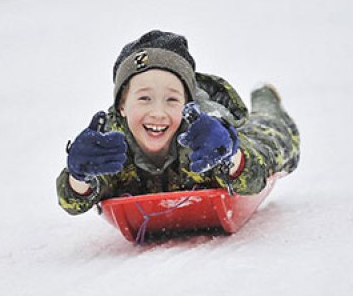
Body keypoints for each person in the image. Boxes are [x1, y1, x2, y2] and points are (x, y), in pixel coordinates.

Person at [57, 30, 300, 215]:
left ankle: (264, 97)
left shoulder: (205, 134)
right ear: (122, 106)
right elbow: (76, 200)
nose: (158, 112)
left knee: (272, 130)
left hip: (241, 135)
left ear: (187, 104)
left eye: (171, 99)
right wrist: (79, 177)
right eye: (144, 98)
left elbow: (259, 169)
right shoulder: (112, 142)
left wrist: (231, 156)